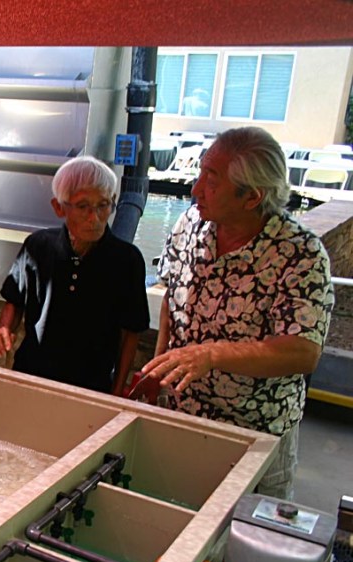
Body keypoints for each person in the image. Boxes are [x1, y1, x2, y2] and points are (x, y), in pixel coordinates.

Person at [143, 126, 334, 500]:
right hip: (184, 420)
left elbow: (302, 351)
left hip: (256, 435)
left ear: (252, 197)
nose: (195, 189)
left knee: (241, 548)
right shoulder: (190, 225)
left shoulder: (301, 254)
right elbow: (170, 298)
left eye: (210, 181)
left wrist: (212, 355)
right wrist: (159, 370)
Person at [0, 156, 150, 395]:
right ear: (59, 207)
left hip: (91, 386)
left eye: (103, 205)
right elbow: (15, 299)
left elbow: (130, 333)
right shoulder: (38, 246)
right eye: (83, 207)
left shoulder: (127, 260)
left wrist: (116, 393)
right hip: (31, 375)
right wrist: (3, 329)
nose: (94, 218)